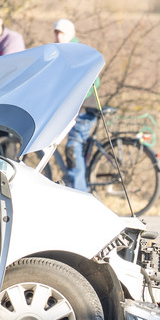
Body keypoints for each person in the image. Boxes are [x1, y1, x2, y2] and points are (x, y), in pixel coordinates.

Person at [51, 18, 100, 191]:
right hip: (73, 110)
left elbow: (95, 80)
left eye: (62, 33)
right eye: (56, 32)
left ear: (72, 34)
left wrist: (74, 97)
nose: (58, 36)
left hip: (84, 110)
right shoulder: (62, 52)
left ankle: (80, 193)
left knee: (73, 146)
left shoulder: (79, 52)